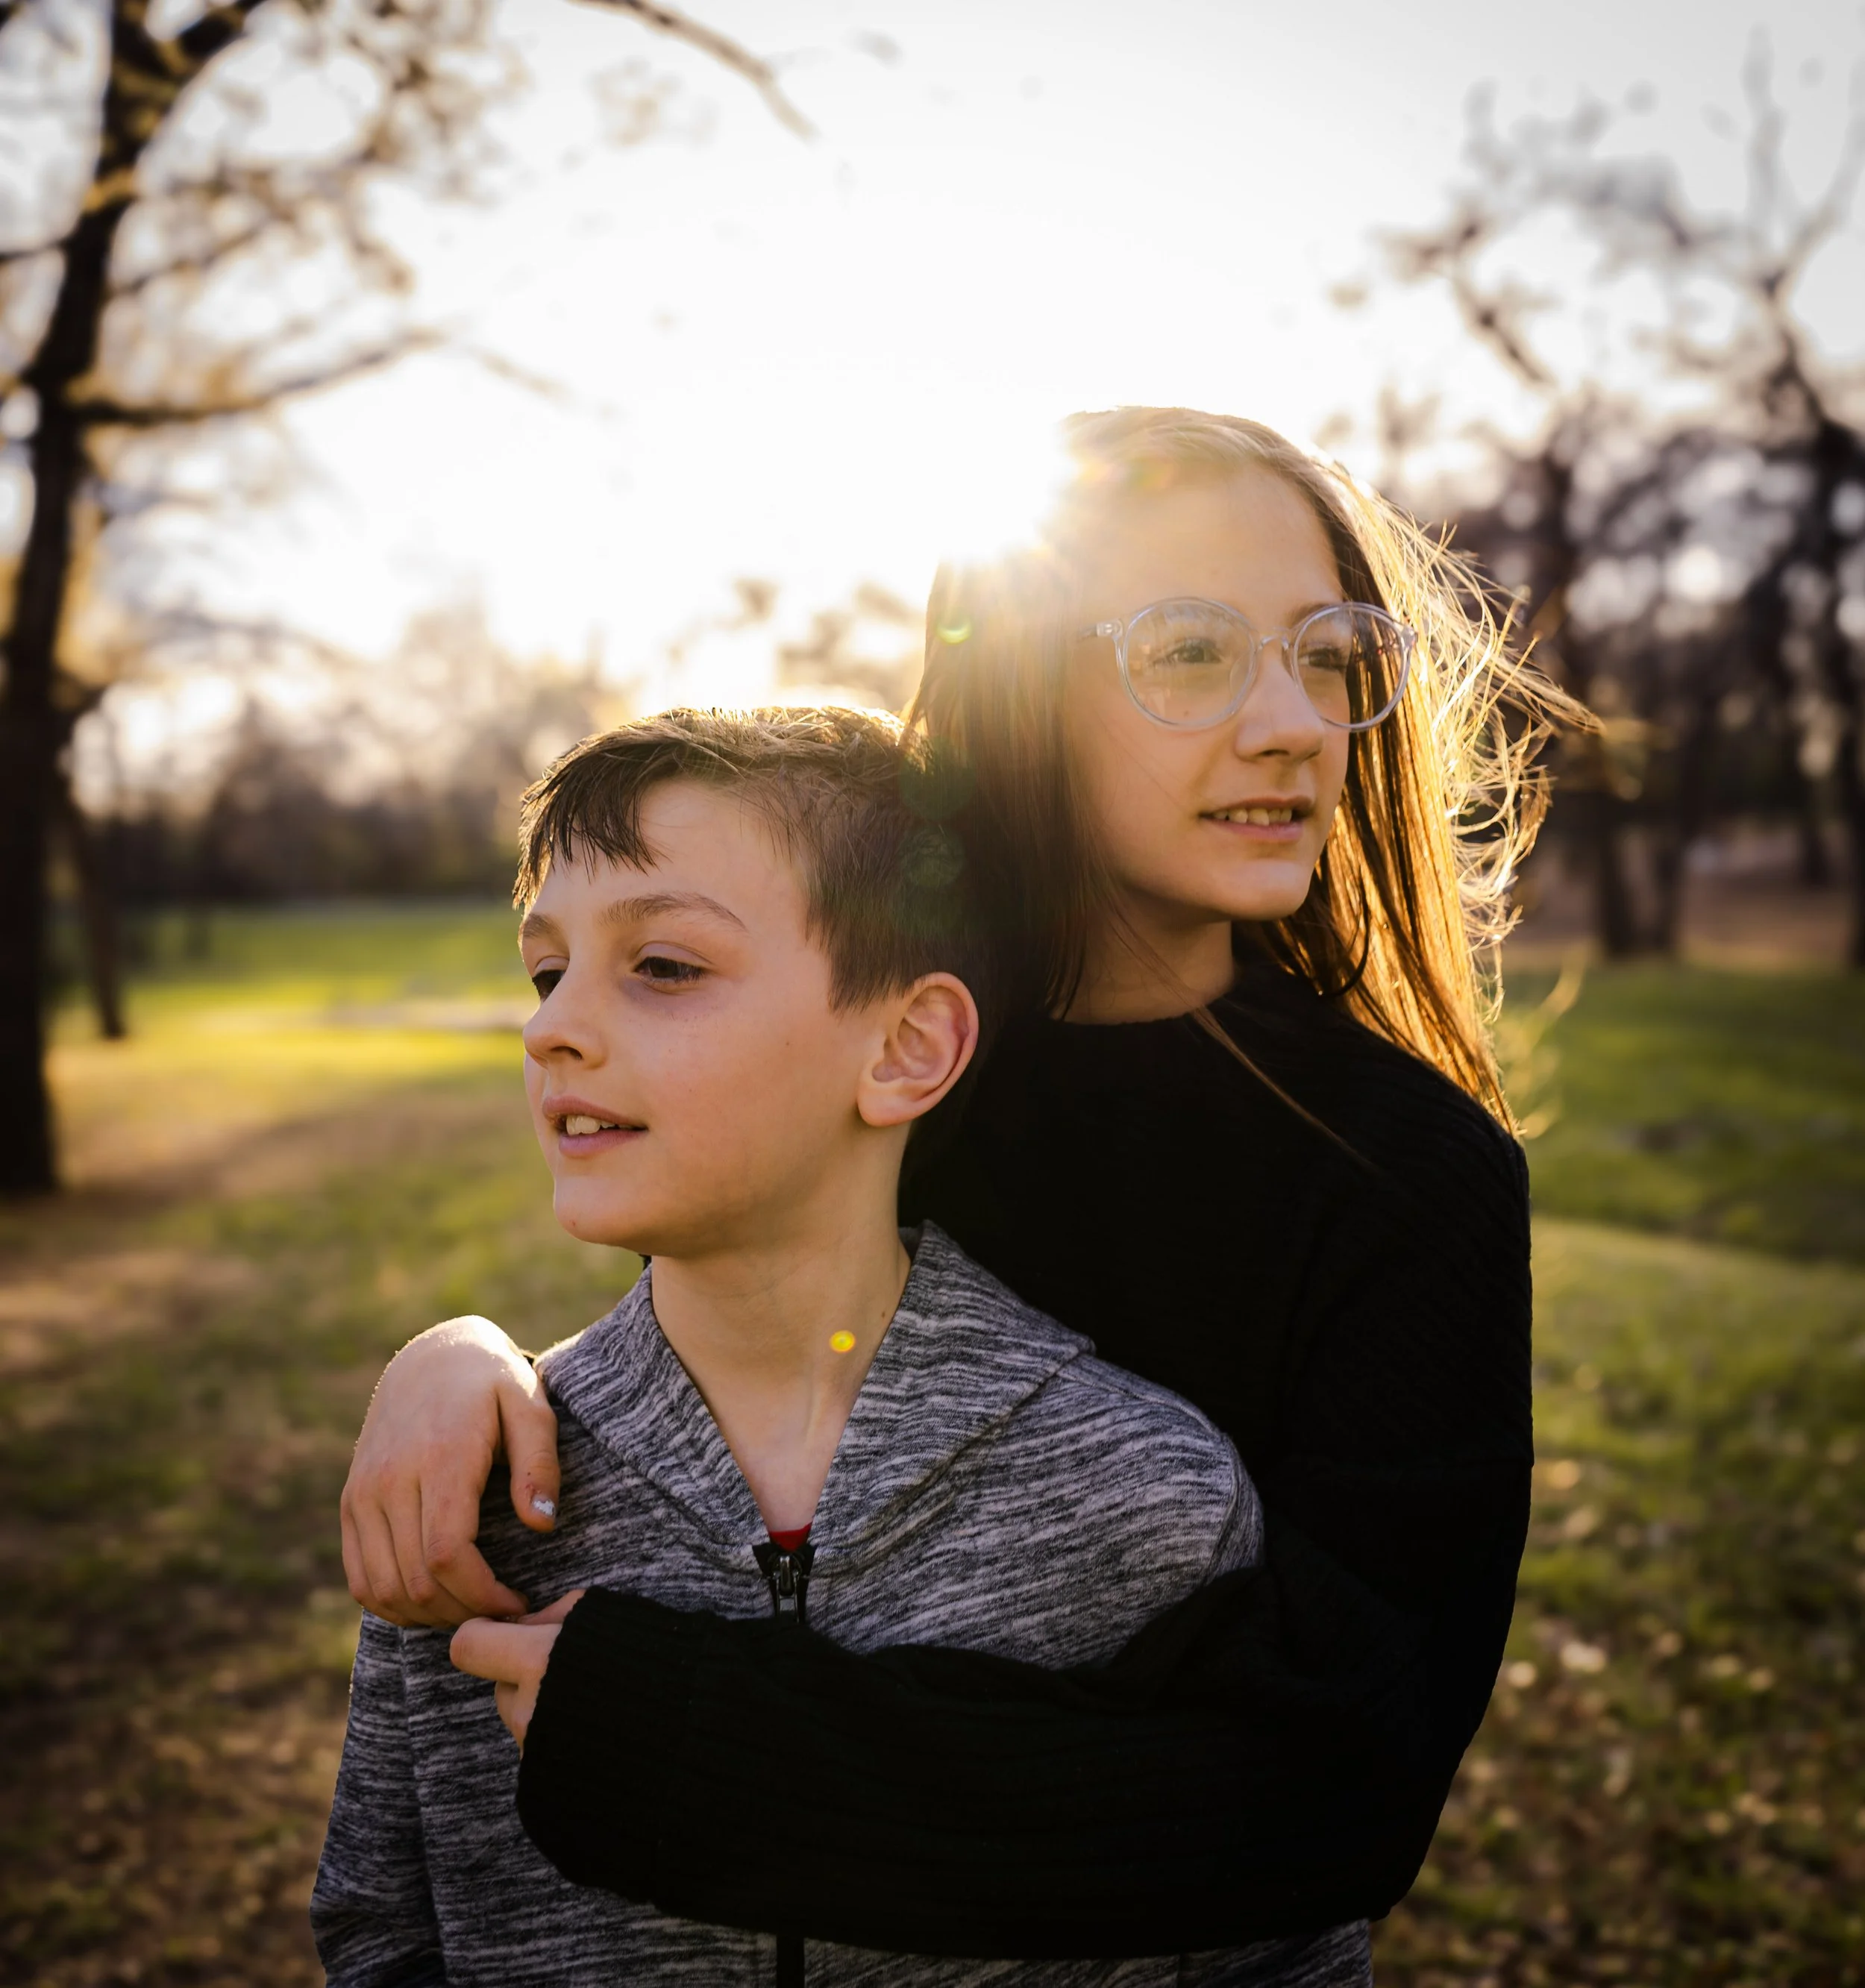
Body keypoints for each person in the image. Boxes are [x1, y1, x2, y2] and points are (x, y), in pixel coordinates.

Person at [340, 408, 1570, 1957]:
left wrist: (702, 1747)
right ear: (1017, 681)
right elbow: (729, 1314)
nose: (1293, 723)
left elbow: (1327, 1786)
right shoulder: (889, 1048)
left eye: (1328, 653)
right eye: (1192, 652)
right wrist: (464, 1364)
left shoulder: (1403, 1175)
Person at [312, 704, 1370, 1987]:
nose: (551, 1031)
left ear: (906, 1047)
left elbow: (1279, 1950)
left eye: (664, 966)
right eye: (548, 973)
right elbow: (384, 1933)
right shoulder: (463, 1500)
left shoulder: (1147, 1496)